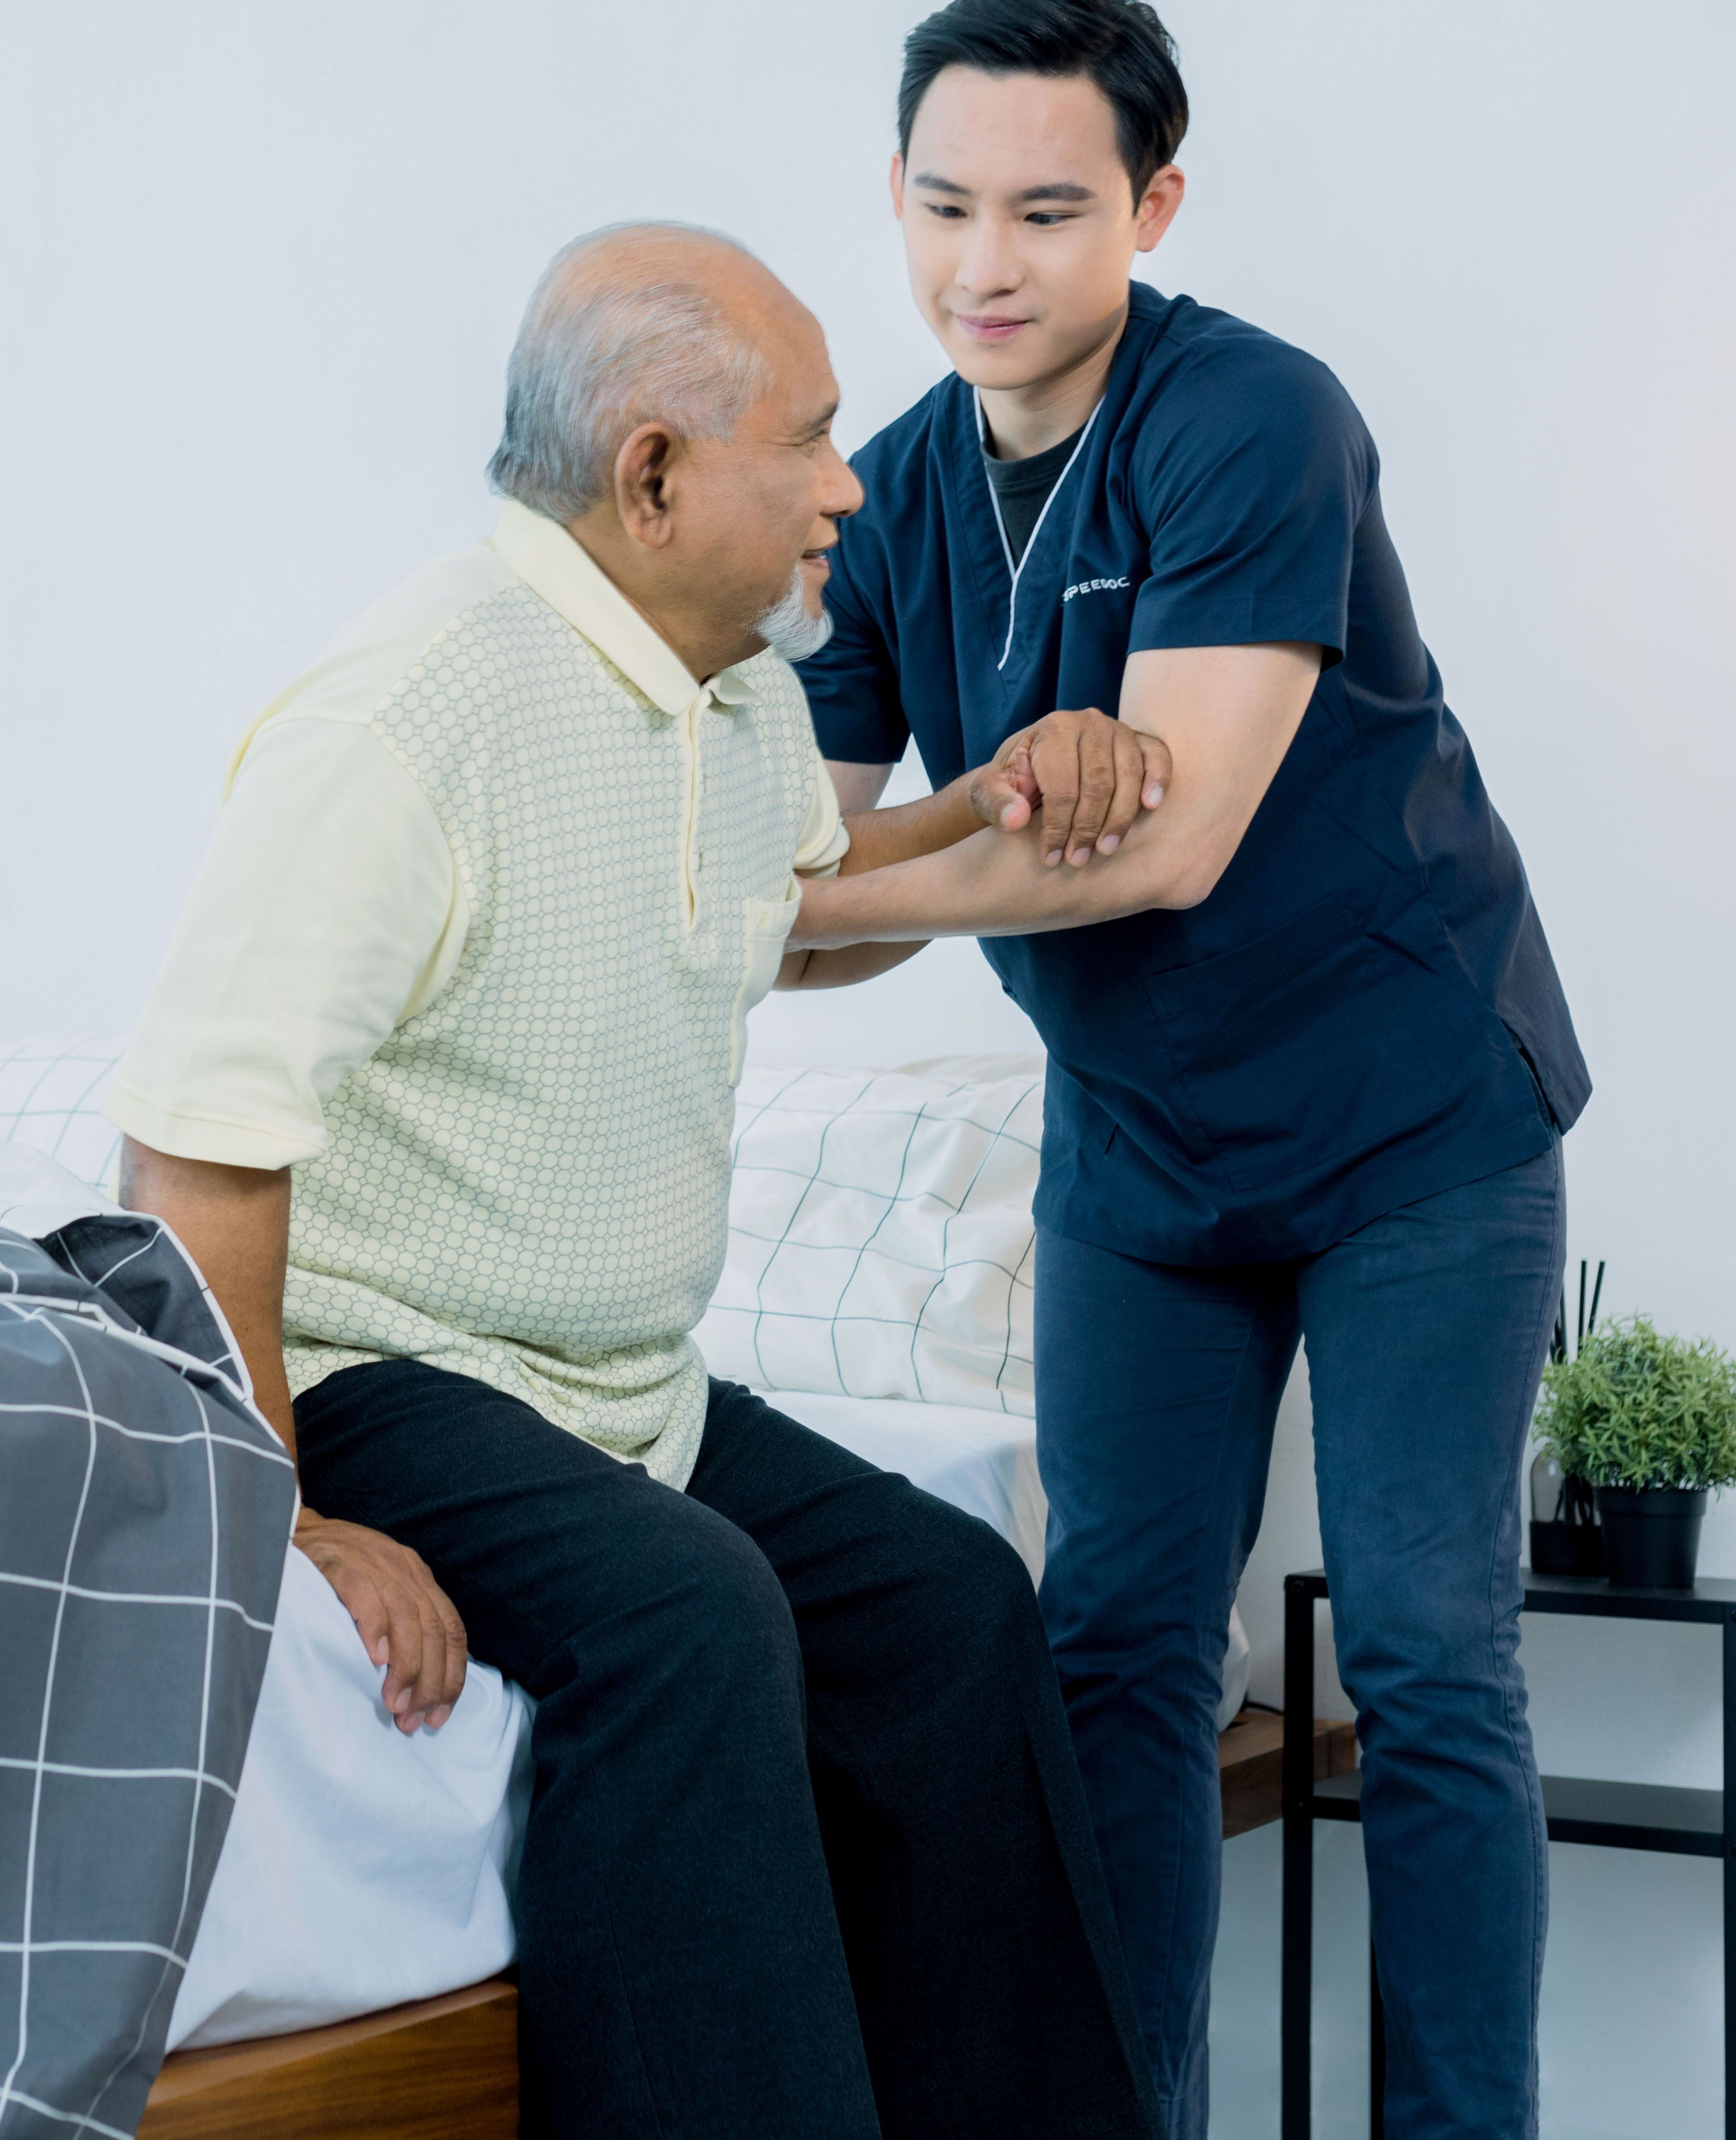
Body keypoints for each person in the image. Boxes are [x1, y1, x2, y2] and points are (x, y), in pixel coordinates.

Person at [107, 222, 1153, 2140]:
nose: (855, 483)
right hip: (373, 1373)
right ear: (653, 474)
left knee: (950, 1609)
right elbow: (193, 1145)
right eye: (812, 439)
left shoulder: (732, 689)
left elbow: (796, 920)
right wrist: (278, 1515)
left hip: (612, 1396)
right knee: (687, 1622)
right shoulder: (410, 717)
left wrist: (1004, 789)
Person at [785, 0, 1588, 2140]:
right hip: (1143, 1156)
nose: (988, 262)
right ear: (896, 198)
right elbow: (789, 897)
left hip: (1412, 1118)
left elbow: (1168, 845)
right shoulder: (885, 498)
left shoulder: (1255, 419)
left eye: (1050, 210)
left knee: (1425, 1655)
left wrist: (831, 884)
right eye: (947, 206)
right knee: (1115, 1656)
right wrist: (896, 846)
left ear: (1152, 208)